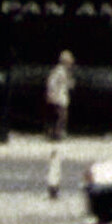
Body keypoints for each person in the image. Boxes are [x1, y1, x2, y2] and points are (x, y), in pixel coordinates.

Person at [43, 49, 78, 200]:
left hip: (61, 98)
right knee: (60, 117)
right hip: (59, 99)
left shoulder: (63, 72)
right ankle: (56, 134)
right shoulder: (59, 71)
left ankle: (57, 133)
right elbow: (53, 84)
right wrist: (53, 95)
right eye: (69, 61)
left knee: (61, 117)